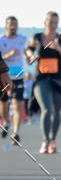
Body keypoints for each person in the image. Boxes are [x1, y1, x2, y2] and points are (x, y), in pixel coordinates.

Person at [25, 12, 61, 154]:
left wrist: (59, 48)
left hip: (58, 79)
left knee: (56, 111)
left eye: (55, 23)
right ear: (45, 22)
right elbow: (28, 51)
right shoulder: (37, 37)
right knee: (47, 108)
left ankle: (53, 140)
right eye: (50, 22)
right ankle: (45, 140)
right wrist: (31, 55)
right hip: (41, 80)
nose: (52, 25)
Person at [0, 16, 28, 145]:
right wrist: (9, 55)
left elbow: (25, 52)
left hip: (18, 77)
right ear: (6, 25)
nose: (13, 26)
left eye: (15, 24)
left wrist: (30, 56)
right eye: (10, 24)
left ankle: (16, 133)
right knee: (4, 104)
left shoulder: (22, 39)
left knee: (17, 105)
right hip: (4, 76)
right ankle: (5, 122)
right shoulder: (1, 40)